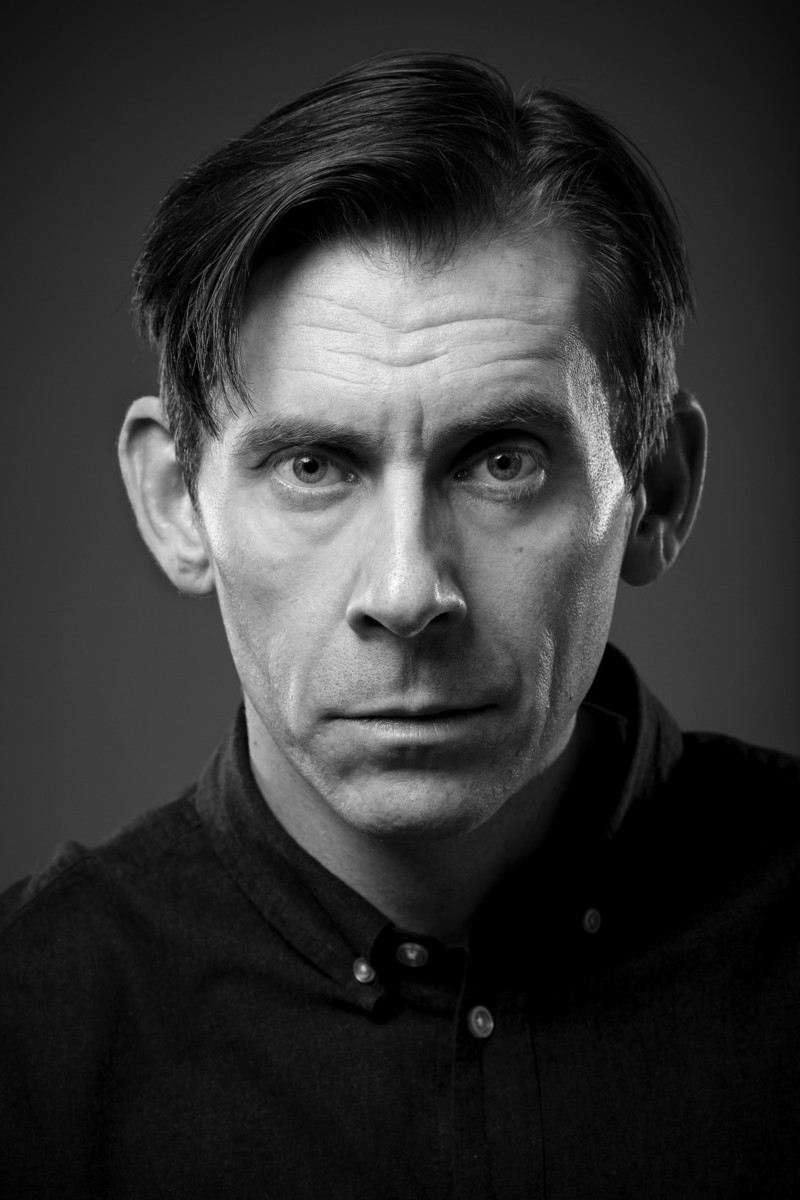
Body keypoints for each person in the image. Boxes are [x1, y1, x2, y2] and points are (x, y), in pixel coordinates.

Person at [1, 50, 798, 1199]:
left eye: (501, 460)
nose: (406, 589)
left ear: (656, 490)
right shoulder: (27, 1039)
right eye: (313, 466)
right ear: (176, 503)